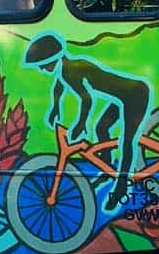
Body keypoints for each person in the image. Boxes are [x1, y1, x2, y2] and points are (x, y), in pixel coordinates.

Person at [24, 33, 151, 210]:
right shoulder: (66, 69)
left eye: (42, 64)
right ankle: (107, 170)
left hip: (135, 94)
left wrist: (81, 123)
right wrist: (55, 107)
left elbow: (87, 99)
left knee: (126, 141)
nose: (42, 69)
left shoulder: (70, 71)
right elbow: (58, 86)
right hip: (121, 97)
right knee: (101, 128)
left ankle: (121, 187)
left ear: (52, 58)